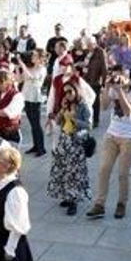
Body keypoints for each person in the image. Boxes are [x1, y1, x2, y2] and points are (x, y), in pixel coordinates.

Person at [86, 65, 131, 221]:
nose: (119, 78)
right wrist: (106, 87)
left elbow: (129, 112)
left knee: (122, 174)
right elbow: (104, 106)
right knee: (103, 169)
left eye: (123, 76)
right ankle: (99, 204)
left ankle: (121, 203)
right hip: (112, 134)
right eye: (116, 75)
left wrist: (119, 91)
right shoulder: (113, 86)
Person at [44, 59, 93, 216]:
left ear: (76, 91)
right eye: (65, 92)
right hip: (64, 139)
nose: (68, 95)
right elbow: (59, 121)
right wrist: (60, 112)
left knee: (74, 172)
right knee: (63, 169)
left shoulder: (82, 106)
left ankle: (74, 200)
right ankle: (66, 195)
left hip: (76, 141)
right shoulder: (66, 104)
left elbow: (88, 125)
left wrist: (73, 119)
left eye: (70, 92)